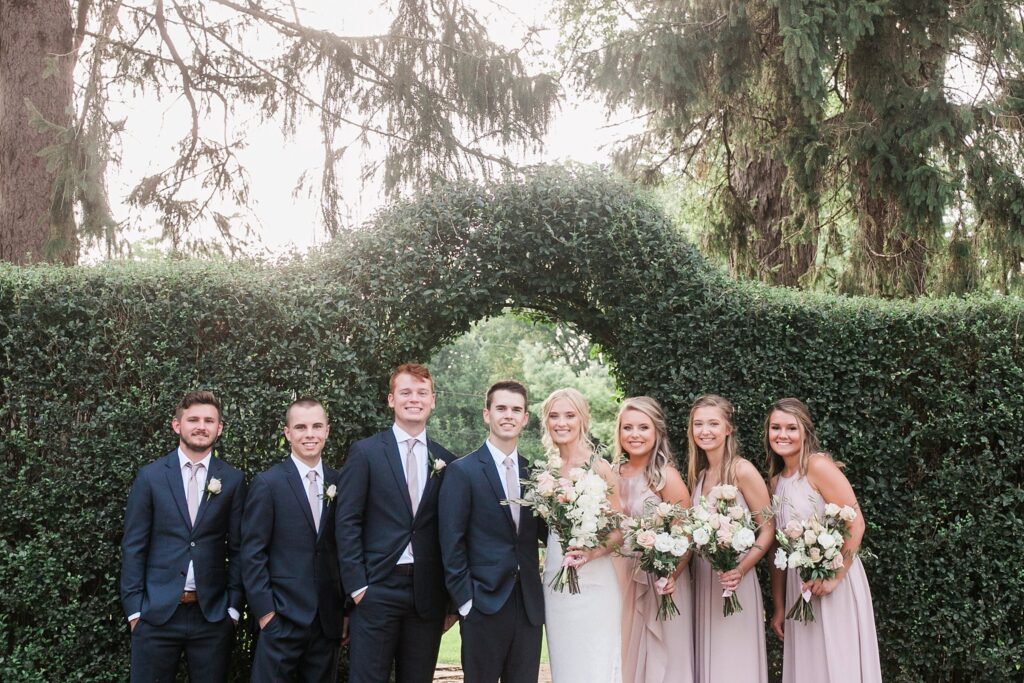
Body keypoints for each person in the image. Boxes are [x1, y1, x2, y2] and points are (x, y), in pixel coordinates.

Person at [336, 363, 457, 683]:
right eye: (405, 392)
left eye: (421, 393)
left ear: (433, 400)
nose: (413, 399)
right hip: (376, 589)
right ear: (391, 400)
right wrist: (358, 588)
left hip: (427, 595)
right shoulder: (365, 453)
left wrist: (450, 601)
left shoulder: (448, 462)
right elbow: (347, 522)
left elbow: (452, 533)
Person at [120, 390, 246, 682]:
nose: (201, 426)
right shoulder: (151, 477)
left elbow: (239, 548)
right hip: (155, 615)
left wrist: (233, 609)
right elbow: (134, 546)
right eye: (193, 420)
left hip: (211, 616)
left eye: (209, 420)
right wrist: (135, 611)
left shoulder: (233, 480)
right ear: (177, 425)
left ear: (219, 428)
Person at [765, 398, 882, 683]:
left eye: (791, 428)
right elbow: (778, 549)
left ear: (805, 431)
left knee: (838, 662)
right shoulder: (775, 481)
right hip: (799, 585)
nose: (783, 434)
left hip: (835, 581)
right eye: (775, 427)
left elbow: (857, 523)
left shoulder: (817, 466)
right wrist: (780, 607)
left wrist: (833, 578)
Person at [438, 380, 545, 683]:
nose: (508, 415)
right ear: (487, 414)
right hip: (482, 603)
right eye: (501, 408)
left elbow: (549, 533)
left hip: (528, 606)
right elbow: (451, 542)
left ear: (525, 418)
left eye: (516, 409)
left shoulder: (536, 474)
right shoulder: (463, 471)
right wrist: (466, 602)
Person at [242, 398, 345, 682]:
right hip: (281, 619)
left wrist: (344, 611)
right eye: (300, 427)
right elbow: (252, 554)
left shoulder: (341, 482)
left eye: (316, 426)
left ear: (327, 431)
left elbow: (346, 549)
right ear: (287, 433)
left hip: (327, 623)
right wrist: (266, 614)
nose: (309, 434)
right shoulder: (268, 483)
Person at [541, 387, 623, 683]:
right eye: (554, 416)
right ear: (546, 422)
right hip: (555, 576)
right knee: (565, 659)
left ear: (582, 420)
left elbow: (619, 531)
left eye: (569, 415)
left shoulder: (599, 467)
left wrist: (591, 553)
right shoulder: (545, 471)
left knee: (596, 658)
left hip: (595, 579)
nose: (561, 423)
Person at [686, 394, 770, 683]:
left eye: (712, 423)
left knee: (734, 662)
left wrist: (741, 569)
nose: (704, 431)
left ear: (728, 428)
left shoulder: (742, 470)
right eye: (698, 424)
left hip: (737, 580)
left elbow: (768, 528)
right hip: (705, 582)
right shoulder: (699, 476)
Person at [612, 396, 694, 683]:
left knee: (662, 661)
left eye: (643, 427)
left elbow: (685, 535)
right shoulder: (612, 474)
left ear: (657, 432)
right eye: (628, 427)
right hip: (618, 581)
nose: (634, 435)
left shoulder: (665, 477)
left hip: (658, 583)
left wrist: (671, 573)